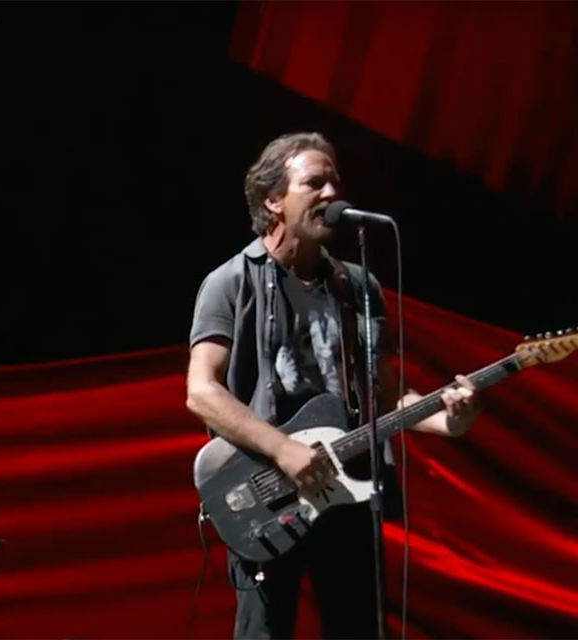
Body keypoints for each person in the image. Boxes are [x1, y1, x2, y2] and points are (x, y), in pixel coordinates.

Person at [184, 133, 480, 639]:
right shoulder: (231, 281)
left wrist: (446, 418)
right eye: (314, 182)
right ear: (273, 199)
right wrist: (283, 450)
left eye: (335, 180)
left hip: (347, 489)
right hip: (266, 492)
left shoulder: (358, 288)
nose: (332, 193)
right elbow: (201, 392)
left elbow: (386, 398)